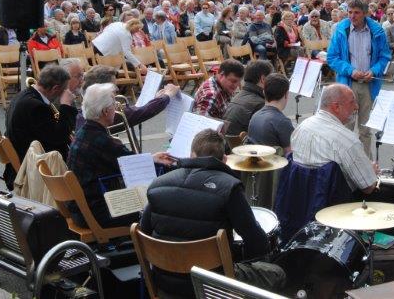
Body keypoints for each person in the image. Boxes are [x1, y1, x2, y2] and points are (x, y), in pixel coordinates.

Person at [140, 129, 286, 297]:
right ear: (224, 159)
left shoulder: (157, 185)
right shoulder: (229, 187)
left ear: (191, 154)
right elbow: (257, 243)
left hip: (166, 284)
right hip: (212, 286)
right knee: (277, 273)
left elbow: (145, 233)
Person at [68, 83, 175, 229]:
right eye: (114, 105)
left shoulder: (83, 131)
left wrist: (151, 158)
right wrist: (158, 162)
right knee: (160, 206)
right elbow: (132, 166)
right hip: (99, 212)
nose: (117, 108)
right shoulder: (102, 140)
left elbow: (125, 159)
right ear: (106, 111)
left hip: (81, 210)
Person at [326, 0, 391, 159]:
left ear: (365, 13)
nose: (352, 16)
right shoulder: (341, 29)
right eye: (350, 12)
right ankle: (342, 162)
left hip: (368, 84)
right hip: (347, 83)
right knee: (345, 127)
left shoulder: (377, 30)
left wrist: (374, 71)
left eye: (356, 13)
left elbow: (385, 57)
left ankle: (366, 165)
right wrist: (350, 70)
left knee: (365, 129)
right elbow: (332, 57)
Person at [291, 84, 379, 194]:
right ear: (336, 107)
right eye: (352, 102)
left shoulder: (301, 127)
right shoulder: (348, 141)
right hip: (334, 204)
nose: (356, 107)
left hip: (301, 198)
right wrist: (372, 172)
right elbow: (368, 187)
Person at [4, 65, 75, 189]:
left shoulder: (22, 95)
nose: (64, 93)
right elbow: (59, 136)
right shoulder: (36, 106)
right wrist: (66, 106)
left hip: (23, 156)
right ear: (55, 88)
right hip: (32, 167)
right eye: (64, 90)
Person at [223, 60, 273, 136]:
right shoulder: (260, 104)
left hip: (228, 144)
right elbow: (264, 136)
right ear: (263, 79)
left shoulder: (238, 96)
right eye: (271, 78)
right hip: (241, 146)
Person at [247, 73, 294, 153]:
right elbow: (290, 154)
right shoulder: (283, 122)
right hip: (274, 164)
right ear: (286, 94)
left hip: (256, 162)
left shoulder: (255, 116)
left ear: (264, 93)